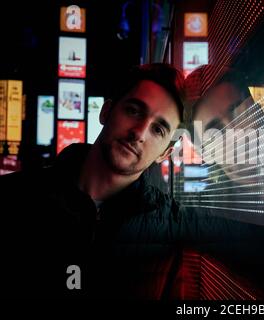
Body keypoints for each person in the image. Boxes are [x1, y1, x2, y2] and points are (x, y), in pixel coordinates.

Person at [0, 63, 239, 299]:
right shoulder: (14, 197)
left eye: (158, 130)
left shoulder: (171, 224)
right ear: (106, 112)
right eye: (134, 111)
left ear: (165, 154)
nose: (139, 132)